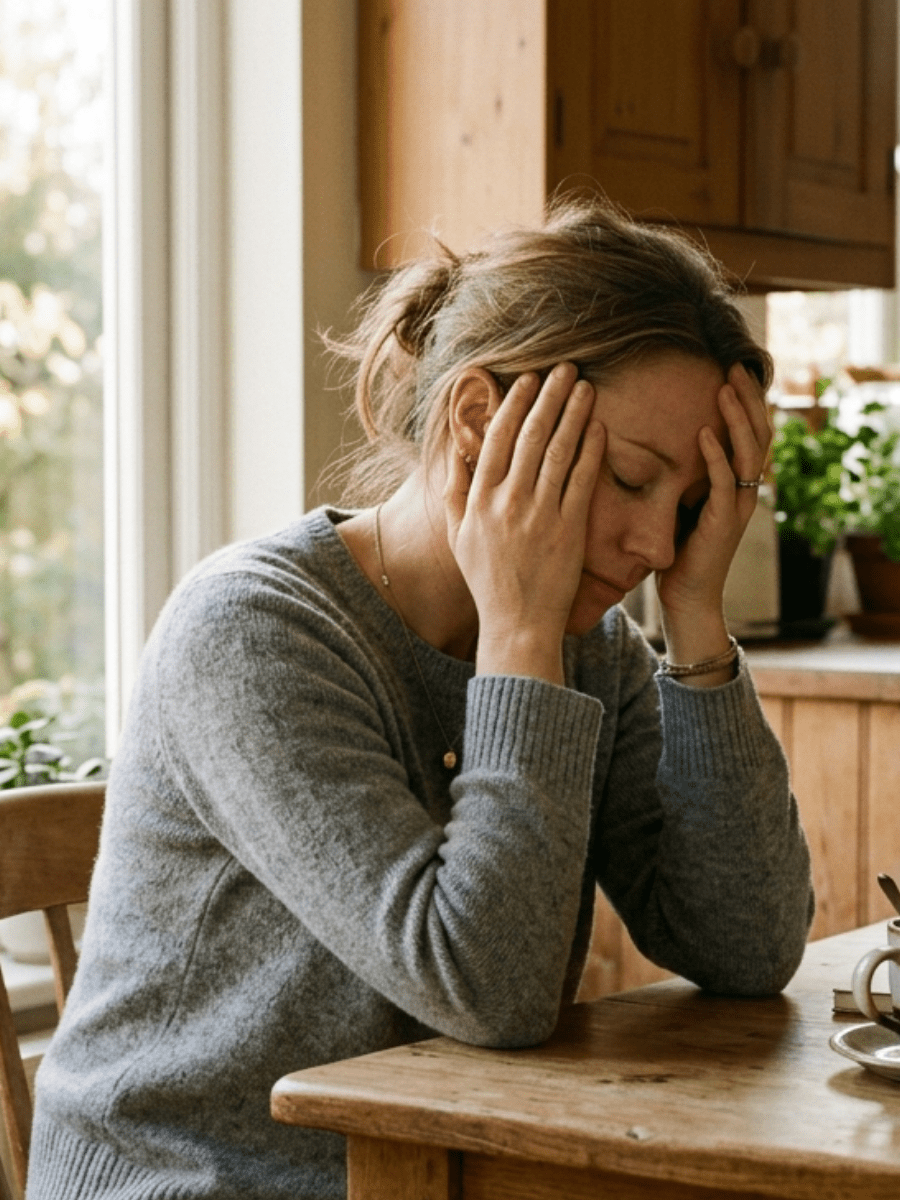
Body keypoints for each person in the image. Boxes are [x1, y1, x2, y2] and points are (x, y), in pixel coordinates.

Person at [27, 197, 814, 1200]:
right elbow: (486, 989)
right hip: (192, 1182)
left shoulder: (592, 645)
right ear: (480, 421)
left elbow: (744, 946)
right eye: (629, 478)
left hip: (431, 1176)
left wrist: (697, 618)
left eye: (692, 504)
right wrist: (519, 635)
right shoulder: (254, 632)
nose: (657, 545)